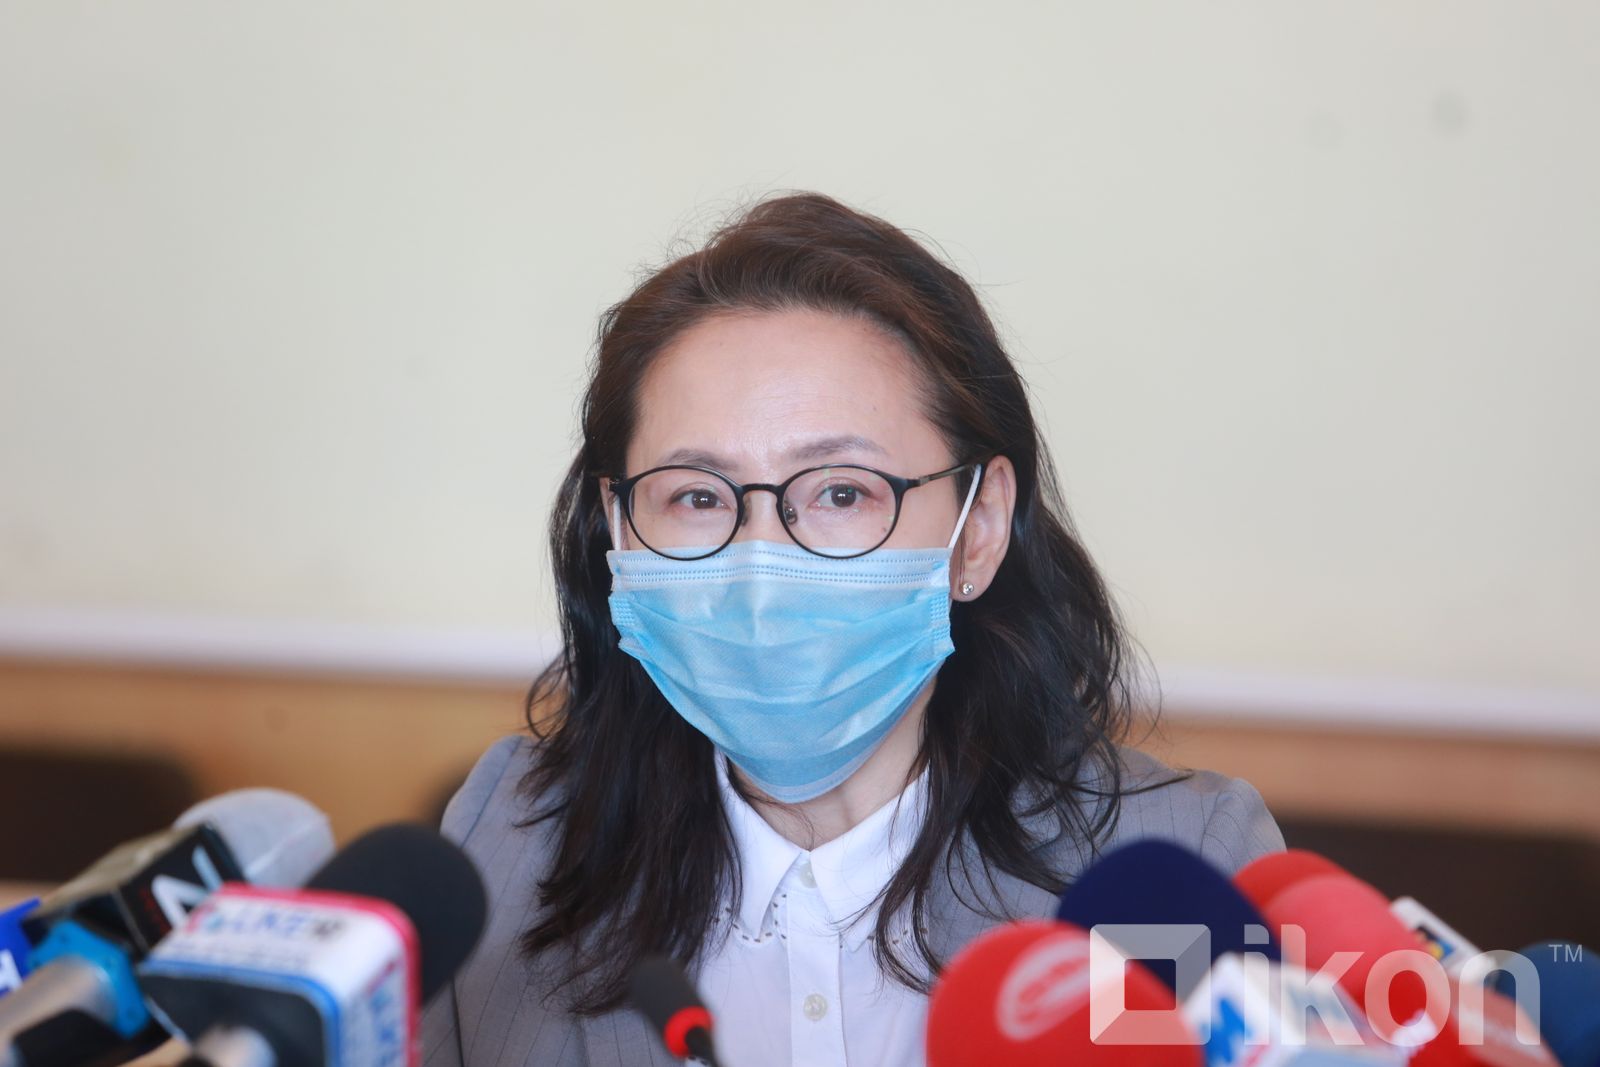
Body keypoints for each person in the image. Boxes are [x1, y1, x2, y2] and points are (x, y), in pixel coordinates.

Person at [422, 193, 1283, 1067]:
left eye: (841, 492)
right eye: (696, 496)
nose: (760, 568)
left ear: (978, 529)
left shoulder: (1185, 868)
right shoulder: (505, 842)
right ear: (618, 527)